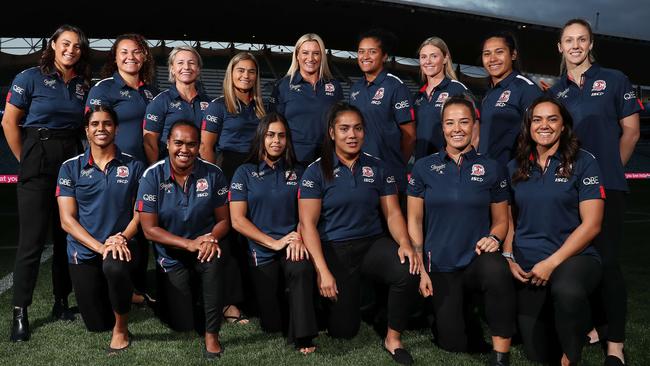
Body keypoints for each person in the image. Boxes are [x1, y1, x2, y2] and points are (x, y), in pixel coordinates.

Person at [549, 18, 641, 365]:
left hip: (606, 187)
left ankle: (615, 344)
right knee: (577, 262)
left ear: (590, 44)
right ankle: (592, 326)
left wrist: (604, 173)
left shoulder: (615, 79)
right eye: (568, 40)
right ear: (560, 47)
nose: (574, 45)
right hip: (567, 191)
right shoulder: (556, 92)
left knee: (609, 263)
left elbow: (630, 132)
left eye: (581, 39)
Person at [299, 102, 420, 365]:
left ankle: (393, 339)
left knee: (407, 267)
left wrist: (405, 243)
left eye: (357, 128)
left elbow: (393, 214)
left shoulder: (378, 167)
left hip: (371, 244)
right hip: (335, 249)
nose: (351, 135)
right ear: (332, 132)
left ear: (365, 132)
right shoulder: (315, 171)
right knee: (344, 331)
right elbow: (307, 225)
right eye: (344, 129)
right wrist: (323, 271)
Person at [407, 96, 515, 366]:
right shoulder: (423, 168)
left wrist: (494, 237)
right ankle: (456, 311)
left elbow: (502, 220)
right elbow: (415, 219)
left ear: (474, 125)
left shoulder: (492, 168)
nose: (457, 129)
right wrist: (420, 265)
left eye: (464, 122)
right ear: (442, 127)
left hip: (477, 260)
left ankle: (501, 354)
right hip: (440, 264)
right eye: (450, 123)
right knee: (453, 343)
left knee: (496, 269)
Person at [3, 24, 91, 342]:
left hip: (70, 157)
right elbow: (9, 122)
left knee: (66, 234)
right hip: (37, 155)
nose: (71, 49)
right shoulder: (29, 77)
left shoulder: (82, 83)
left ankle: (61, 302)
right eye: (65, 43)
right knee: (32, 241)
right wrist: (26, 159)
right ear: (53, 44)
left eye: (77, 46)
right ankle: (20, 312)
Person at [503, 96, 605, 366]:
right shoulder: (515, 166)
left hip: (572, 258)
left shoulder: (584, 162)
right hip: (528, 264)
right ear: (528, 126)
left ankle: (571, 358)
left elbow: (592, 224)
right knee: (539, 353)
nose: (544, 125)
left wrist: (552, 263)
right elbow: (509, 220)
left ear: (563, 126)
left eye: (552, 119)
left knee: (567, 291)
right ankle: (577, 324)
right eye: (537, 119)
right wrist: (509, 256)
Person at [136, 120, 229, 359]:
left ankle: (212, 337)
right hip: (171, 254)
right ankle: (160, 297)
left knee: (214, 262)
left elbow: (224, 221)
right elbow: (149, 230)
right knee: (182, 323)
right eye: (178, 143)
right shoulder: (151, 176)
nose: (184, 150)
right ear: (167, 144)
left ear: (199, 146)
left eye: (191, 144)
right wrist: (188, 244)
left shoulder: (213, 173)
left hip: (204, 247)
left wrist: (210, 239)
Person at [57, 106, 144, 353]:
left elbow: (140, 214)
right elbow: (67, 220)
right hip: (85, 251)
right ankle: (129, 295)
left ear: (116, 129)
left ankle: (121, 329)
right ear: (87, 130)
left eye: (107, 123)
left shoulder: (133, 166)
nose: (101, 129)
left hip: (121, 247)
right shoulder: (70, 168)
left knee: (114, 266)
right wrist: (101, 246)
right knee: (96, 324)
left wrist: (121, 239)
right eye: (95, 124)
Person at [229, 112, 317, 354]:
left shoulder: (300, 172)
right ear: (261, 138)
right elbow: (237, 220)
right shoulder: (244, 172)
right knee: (271, 325)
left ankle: (304, 337)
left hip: (292, 244)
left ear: (288, 139)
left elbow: (307, 214)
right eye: (270, 135)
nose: (276, 140)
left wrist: (297, 236)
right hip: (261, 251)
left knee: (300, 267)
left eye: (281, 135)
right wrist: (273, 243)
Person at [86, 33, 158, 306]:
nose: (131, 57)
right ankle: (108, 285)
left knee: (142, 227)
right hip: (114, 169)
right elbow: (94, 128)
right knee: (115, 224)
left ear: (145, 57)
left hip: (145, 171)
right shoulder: (103, 89)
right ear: (115, 57)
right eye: (125, 52)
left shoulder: (151, 90)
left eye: (137, 52)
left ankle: (137, 287)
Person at [349, 29, 415, 194]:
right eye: (361, 51)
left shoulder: (396, 86)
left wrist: (396, 164)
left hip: (389, 173)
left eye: (372, 52)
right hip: (361, 173)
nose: (365, 56)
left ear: (384, 56)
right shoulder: (355, 88)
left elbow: (410, 135)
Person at [268, 33, 343, 165]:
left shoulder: (334, 86)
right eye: (305, 53)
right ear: (297, 55)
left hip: (327, 158)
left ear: (322, 57)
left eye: (316, 53)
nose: (310, 58)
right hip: (292, 158)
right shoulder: (283, 86)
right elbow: (273, 126)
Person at [478, 31, 543, 168]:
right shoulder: (489, 93)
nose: (492, 59)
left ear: (513, 55)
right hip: (486, 174)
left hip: (512, 177)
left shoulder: (526, 89)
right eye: (487, 54)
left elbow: (541, 136)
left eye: (499, 52)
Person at [200, 52, 265, 179]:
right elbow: (205, 147)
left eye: (251, 71)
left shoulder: (262, 108)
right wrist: (214, 178)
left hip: (257, 169)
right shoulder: (217, 106)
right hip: (228, 169)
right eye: (240, 70)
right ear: (231, 73)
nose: (246, 75)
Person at [143, 46, 210, 164]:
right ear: (172, 69)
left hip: (201, 174)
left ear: (198, 69)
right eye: (180, 63)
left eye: (191, 63)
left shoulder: (210, 103)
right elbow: (150, 143)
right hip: (170, 172)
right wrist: (157, 173)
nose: (186, 67)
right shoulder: (160, 102)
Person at [413, 37, 474, 160]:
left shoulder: (457, 89)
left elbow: (475, 132)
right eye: (423, 57)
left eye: (434, 56)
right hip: (421, 165)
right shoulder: (417, 96)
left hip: (448, 165)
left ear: (445, 58)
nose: (428, 61)